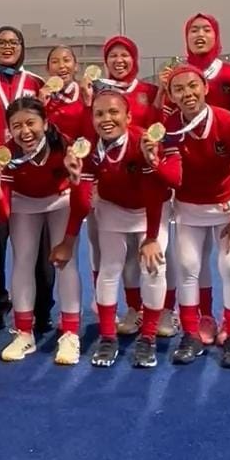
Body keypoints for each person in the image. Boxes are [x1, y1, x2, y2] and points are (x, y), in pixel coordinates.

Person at [63, 90, 181, 368]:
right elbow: (82, 205)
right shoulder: (88, 150)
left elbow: (155, 191)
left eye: (114, 112)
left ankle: (148, 338)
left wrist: (151, 238)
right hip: (113, 207)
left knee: (154, 266)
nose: (106, 118)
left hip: (151, 208)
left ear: (128, 117)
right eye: (99, 114)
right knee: (109, 268)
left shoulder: (143, 142)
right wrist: (76, 180)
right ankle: (107, 337)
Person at [160, 14, 230, 345]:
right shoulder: (171, 126)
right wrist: (156, 160)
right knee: (188, 266)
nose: (187, 93)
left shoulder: (228, 118)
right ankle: (196, 327)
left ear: (205, 88)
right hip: (189, 205)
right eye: (178, 89)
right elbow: (172, 172)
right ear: (171, 95)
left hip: (225, 201)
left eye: (193, 86)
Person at [0, 25, 53, 333]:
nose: (7, 46)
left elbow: (48, 126)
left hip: (31, 177)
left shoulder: (36, 83)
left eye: (13, 42)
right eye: (1, 42)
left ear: (22, 47)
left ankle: (42, 309)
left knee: (40, 252)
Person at [0, 97, 91, 365]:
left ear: (45, 123)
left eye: (31, 123)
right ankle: (24, 333)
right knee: (23, 261)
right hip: (24, 203)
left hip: (61, 201)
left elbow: (83, 204)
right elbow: (2, 214)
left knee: (66, 263)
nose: (25, 131)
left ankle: (70, 333)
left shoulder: (65, 146)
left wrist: (76, 180)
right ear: (9, 129)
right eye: (16, 126)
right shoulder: (6, 155)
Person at [81, 35, 164, 337]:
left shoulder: (150, 91)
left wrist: (161, 99)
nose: (119, 60)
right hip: (109, 185)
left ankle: (158, 313)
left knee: (153, 257)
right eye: (113, 56)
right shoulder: (97, 91)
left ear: (134, 59)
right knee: (108, 253)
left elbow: (159, 131)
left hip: (146, 182)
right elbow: (89, 134)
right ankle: (125, 308)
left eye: (124, 55)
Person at [39, 45, 88, 143]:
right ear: (47, 68)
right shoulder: (42, 98)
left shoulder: (86, 92)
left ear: (76, 66)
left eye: (66, 60)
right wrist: (40, 107)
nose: (61, 66)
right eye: (55, 62)